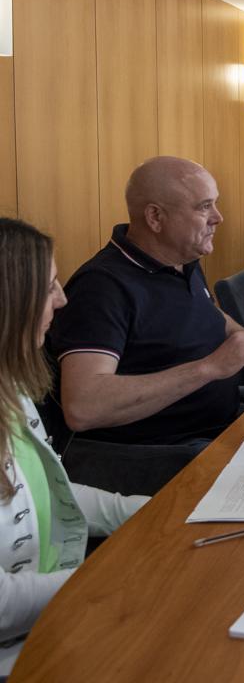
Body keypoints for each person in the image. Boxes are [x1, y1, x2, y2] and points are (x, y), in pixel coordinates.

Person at [49, 157, 244, 486]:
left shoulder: (182, 260)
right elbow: (84, 405)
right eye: (204, 207)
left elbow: (207, 314)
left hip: (219, 425)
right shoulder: (102, 287)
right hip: (165, 454)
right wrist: (210, 367)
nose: (218, 218)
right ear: (155, 217)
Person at [0, 218, 149, 674]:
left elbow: (53, 495)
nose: (62, 299)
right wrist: (100, 579)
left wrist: (146, 512)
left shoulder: (13, 390)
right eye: (49, 288)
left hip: (55, 616)